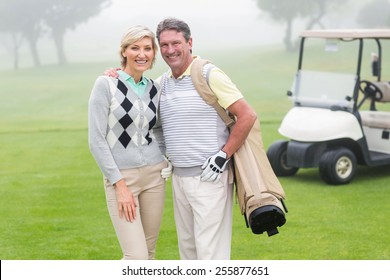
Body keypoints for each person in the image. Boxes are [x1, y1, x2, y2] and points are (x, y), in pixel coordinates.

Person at [105, 18, 257, 260]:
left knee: (211, 255)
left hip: (211, 178)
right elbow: (152, 124)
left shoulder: (209, 74)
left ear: (189, 42)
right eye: (164, 45)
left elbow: (247, 116)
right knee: (189, 253)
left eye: (176, 43)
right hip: (179, 179)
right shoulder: (162, 84)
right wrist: (114, 75)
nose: (170, 50)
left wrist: (223, 155)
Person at [88, 25, 172, 260]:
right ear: (124, 51)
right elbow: (96, 140)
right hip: (122, 179)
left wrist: (164, 158)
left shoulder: (154, 88)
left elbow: (158, 128)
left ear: (154, 53)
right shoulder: (106, 85)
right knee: (136, 257)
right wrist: (120, 185)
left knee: (150, 254)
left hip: (155, 177)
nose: (142, 54)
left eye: (147, 48)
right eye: (135, 48)